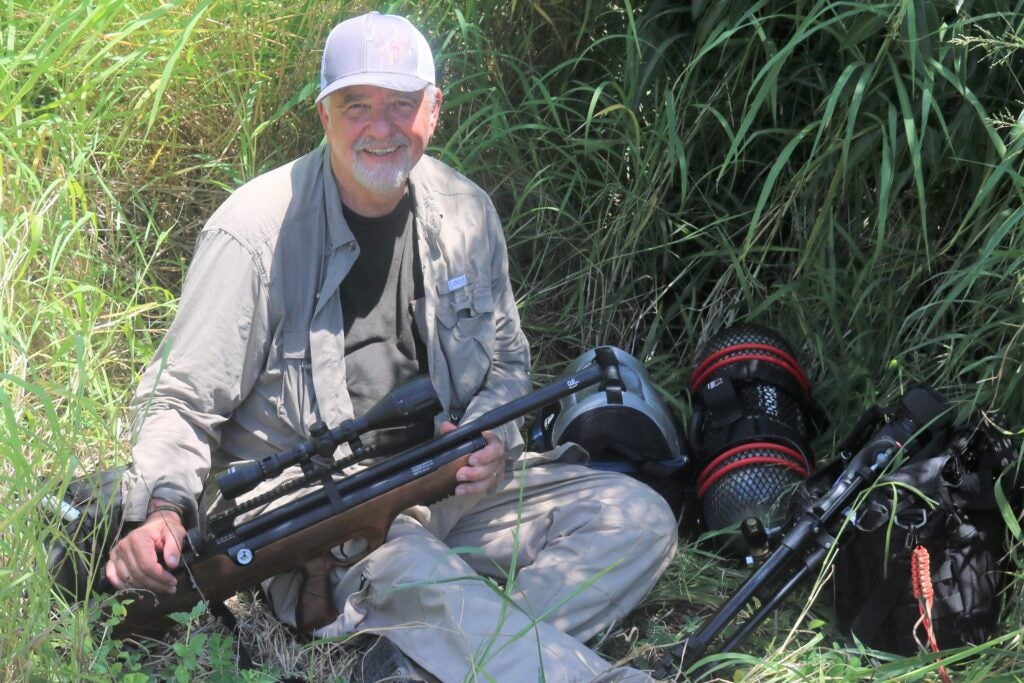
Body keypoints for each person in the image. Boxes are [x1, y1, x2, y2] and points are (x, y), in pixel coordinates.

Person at [105, 11, 678, 682]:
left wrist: (494, 438)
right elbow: (179, 395)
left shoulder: (466, 211)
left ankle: (415, 654)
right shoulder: (252, 233)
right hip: (326, 522)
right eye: (358, 106)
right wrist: (163, 508)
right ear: (324, 113)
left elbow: (508, 363)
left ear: (433, 111)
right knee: (413, 566)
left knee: (640, 518)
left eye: (402, 104)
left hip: (450, 485)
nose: (382, 128)